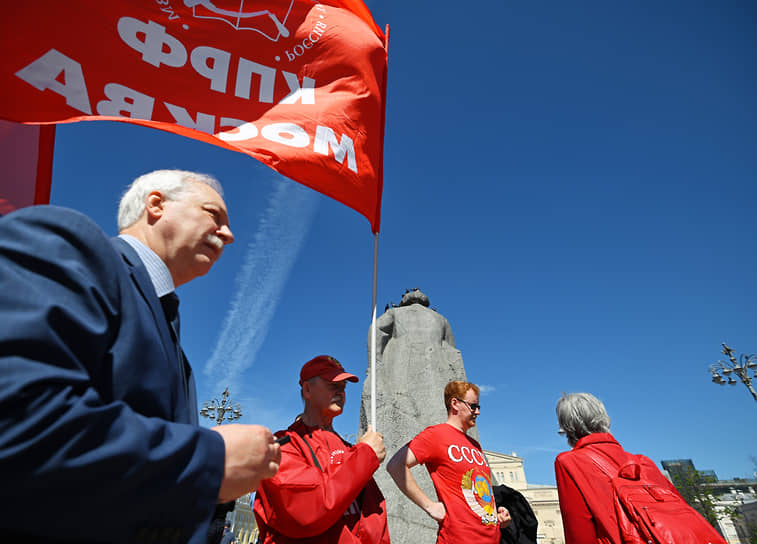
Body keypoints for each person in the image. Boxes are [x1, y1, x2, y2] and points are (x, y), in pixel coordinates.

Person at [0, 169, 281, 543]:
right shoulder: (69, 243)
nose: (229, 235)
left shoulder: (171, 335)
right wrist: (210, 460)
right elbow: (17, 418)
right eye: (215, 214)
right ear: (156, 204)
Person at [253, 355, 390, 543]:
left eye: (343, 387)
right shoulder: (282, 444)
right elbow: (307, 510)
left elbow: (374, 518)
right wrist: (366, 454)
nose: (341, 392)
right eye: (332, 384)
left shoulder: (350, 448)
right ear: (307, 389)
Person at [553, 392, 713, 544]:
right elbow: (680, 512)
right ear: (605, 419)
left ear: (567, 428)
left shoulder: (568, 462)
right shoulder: (643, 462)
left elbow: (579, 531)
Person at [386, 380, 511, 543]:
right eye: (473, 406)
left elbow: (480, 491)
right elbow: (395, 465)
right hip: (457, 538)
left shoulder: (475, 445)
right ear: (455, 404)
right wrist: (430, 506)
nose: (478, 412)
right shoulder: (435, 435)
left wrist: (497, 516)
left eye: (478, 407)